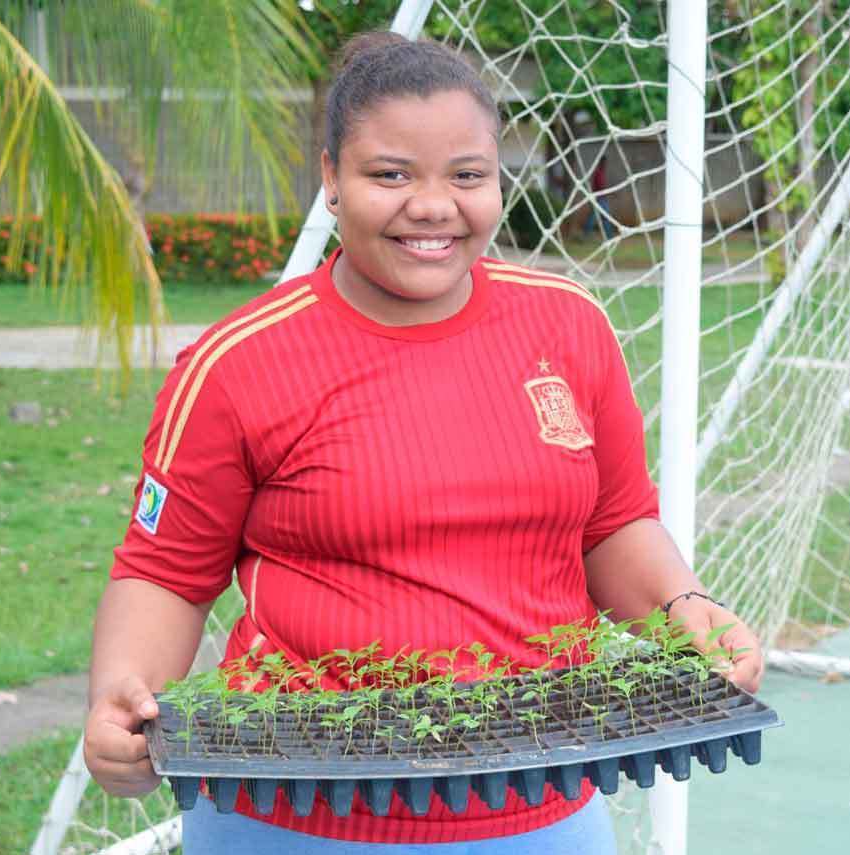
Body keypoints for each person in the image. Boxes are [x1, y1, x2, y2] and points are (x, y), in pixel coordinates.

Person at [83, 32, 763, 855]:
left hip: (543, 805)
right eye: (391, 175)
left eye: (467, 175)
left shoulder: (570, 326)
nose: (434, 205)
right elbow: (165, 571)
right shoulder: (237, 364)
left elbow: (614, 525)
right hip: (293, 814)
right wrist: (121, 703)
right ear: (331, 178)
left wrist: (686, 611)